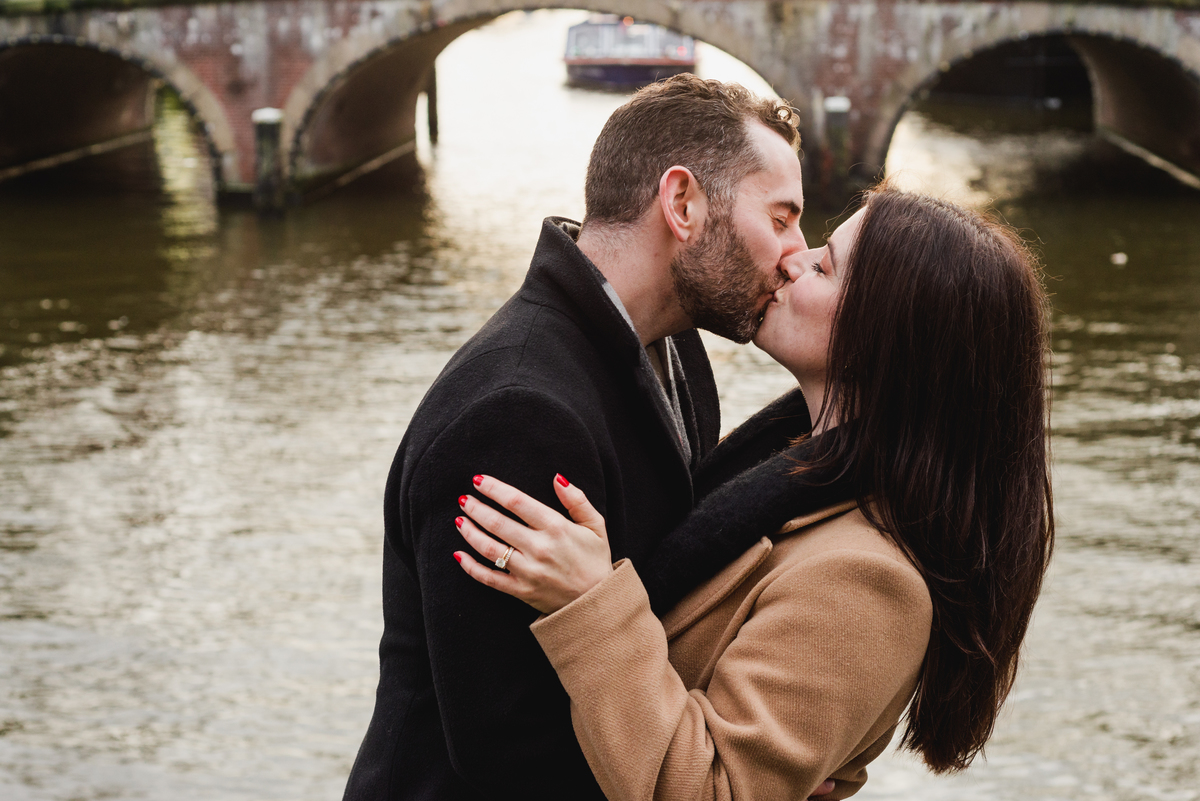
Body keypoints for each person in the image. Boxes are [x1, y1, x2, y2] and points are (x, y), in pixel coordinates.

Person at [342, 76, 859, 800]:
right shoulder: (517, 416)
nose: (794, 254)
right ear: (683, 204)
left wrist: (759, 759)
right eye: (781, 218)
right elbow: (507, 748)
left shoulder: (680, 356)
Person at [454, 186, 1055, 800]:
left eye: (825, 266)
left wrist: (591, 600)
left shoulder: (869, 582)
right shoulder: (787, 475)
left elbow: (715, 791)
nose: (794, 257)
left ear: (888, 336)